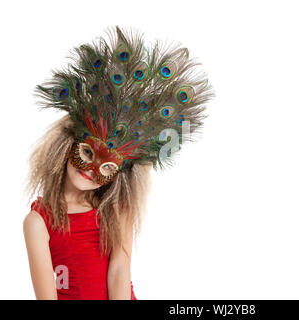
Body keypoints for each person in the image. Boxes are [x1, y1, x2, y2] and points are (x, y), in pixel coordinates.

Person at [23, 26, 214, 300]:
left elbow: (120, 270)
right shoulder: (38, 221)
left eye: (107, 166)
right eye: (88, 153)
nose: (90, 169)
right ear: (69, 145)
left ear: (116, 175)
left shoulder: (115, 209)